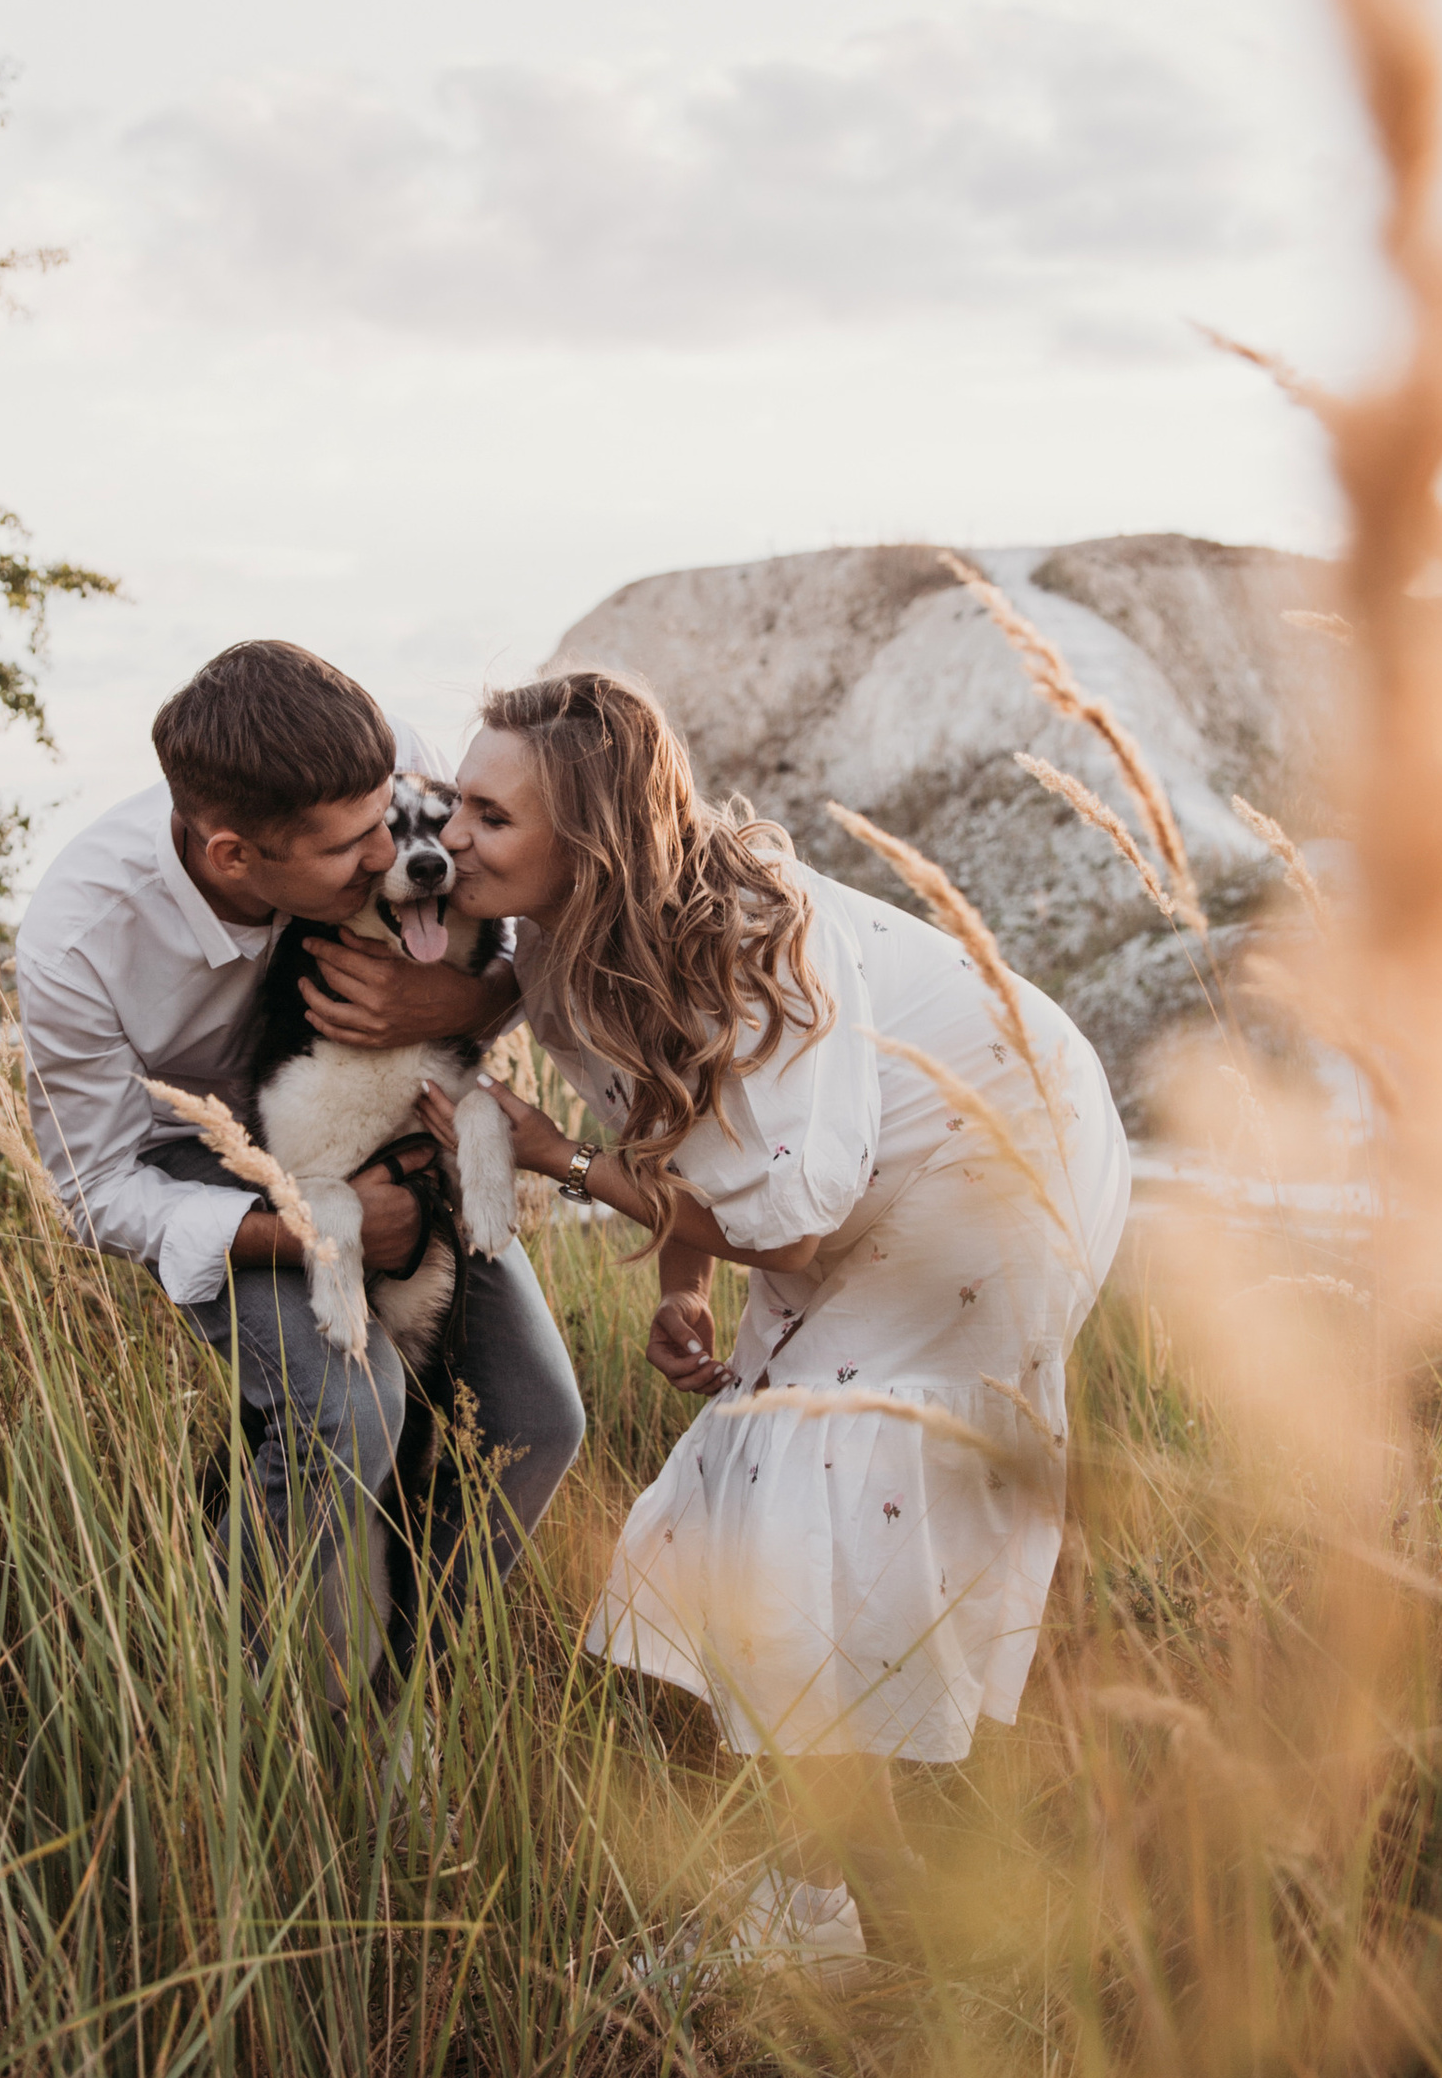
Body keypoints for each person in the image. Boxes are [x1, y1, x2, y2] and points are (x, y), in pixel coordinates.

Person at [424, 667, 1129, 1970]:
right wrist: (684, 1288)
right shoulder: (557, 948)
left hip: (998, 1150)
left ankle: (832, 1916)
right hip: (863, 1178)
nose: (452, 834)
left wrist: (549, 1158)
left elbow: (791, 1223)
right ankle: (864, 1892)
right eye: (456, 801)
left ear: (586, 843)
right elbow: (682, 1128)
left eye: (488, 815)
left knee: (815, 1480)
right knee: (790, 1484)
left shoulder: (751, 928)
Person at [16, 640, 585, 1701]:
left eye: (389, 820)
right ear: (233, 857)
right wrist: (316, 1231)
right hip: (202, 1167)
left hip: (382, 1116)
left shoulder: (385, 775)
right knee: (348, 1407)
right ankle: (206, 1713)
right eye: (348, 849)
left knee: (536, 1417)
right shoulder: (80, 943)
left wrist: (473, 1002)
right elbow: (96, 1194)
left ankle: (399, 1713)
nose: (391, 856)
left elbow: (533, 923)